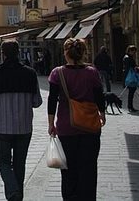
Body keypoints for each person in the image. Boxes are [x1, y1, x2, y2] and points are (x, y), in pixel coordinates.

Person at [0, 40, 42, 201]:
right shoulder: (30, 73)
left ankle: (12, 191)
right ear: (18, 53)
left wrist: (0, 104)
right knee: (19, 163)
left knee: (3, 161)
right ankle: (17, 195)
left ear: (2, 54)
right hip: (24, 127)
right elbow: (37, 102)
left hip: (3, 127)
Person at [48, 38, 106, 200]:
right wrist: (102, 113)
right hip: (90, 126)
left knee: (68, 170)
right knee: (88, 169)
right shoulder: (92, 72)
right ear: (83, 52)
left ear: (66, 53)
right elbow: (99, 96)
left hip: (67, 128)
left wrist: (51, 124)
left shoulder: (57, 73)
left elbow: (52, 100)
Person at [122, 45, 139, 112]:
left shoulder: (128, 57)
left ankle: (130, 106)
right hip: (131, 77)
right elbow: (130, 67)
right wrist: (136, 68)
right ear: (130, 51)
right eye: (134, 52)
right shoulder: (127, 58)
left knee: (131, 92)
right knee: (131, 92)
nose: (134, 53)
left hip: (130, 76)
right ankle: (130, 106)